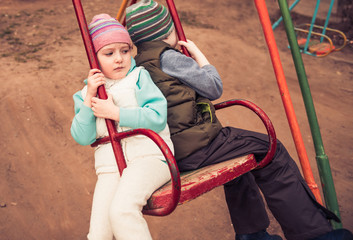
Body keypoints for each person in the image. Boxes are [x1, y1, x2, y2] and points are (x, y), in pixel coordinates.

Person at [125, 1, 353, 240]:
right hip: (199, 146)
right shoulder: (171, 58)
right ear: (166, 33)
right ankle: (312, 233)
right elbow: (214, 88)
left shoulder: (138, 66)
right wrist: (200, 57)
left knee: (238, 161)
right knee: (270, 148)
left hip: (171, 152)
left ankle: (251, 234)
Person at [70, 14, 174, 240]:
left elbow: (157, 117)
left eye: (124, 51)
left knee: (122, 211)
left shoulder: (138, 78)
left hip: (150, 158)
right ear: (94, 59)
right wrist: (89, 98)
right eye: (109, 53)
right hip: (110, 170)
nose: (119, 59)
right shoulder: (85, 95)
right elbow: (83, 136)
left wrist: (115, 113)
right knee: (98, 234)